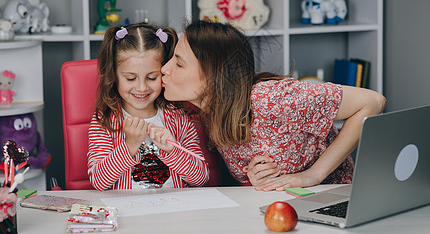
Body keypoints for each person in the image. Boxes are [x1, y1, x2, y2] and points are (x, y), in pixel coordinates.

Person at [160, 20, 386, 191]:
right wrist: (255, 178)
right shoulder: (205, 113)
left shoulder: (272, 99)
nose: (165, 69)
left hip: (332, 196)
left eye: (178, 63)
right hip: (283, 204)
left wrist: (314, 174)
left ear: (212, 77)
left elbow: (373, 102)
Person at [88, 23, 209, 190]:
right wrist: (129, 146)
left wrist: (173, 150)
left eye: (152, 77)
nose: (142, 88)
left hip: (176, 211)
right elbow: (99, 182)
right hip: (128, 212)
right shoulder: (106, 121)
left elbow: (201, 178)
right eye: (131, 78)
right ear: (113, 76)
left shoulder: (178, 118)